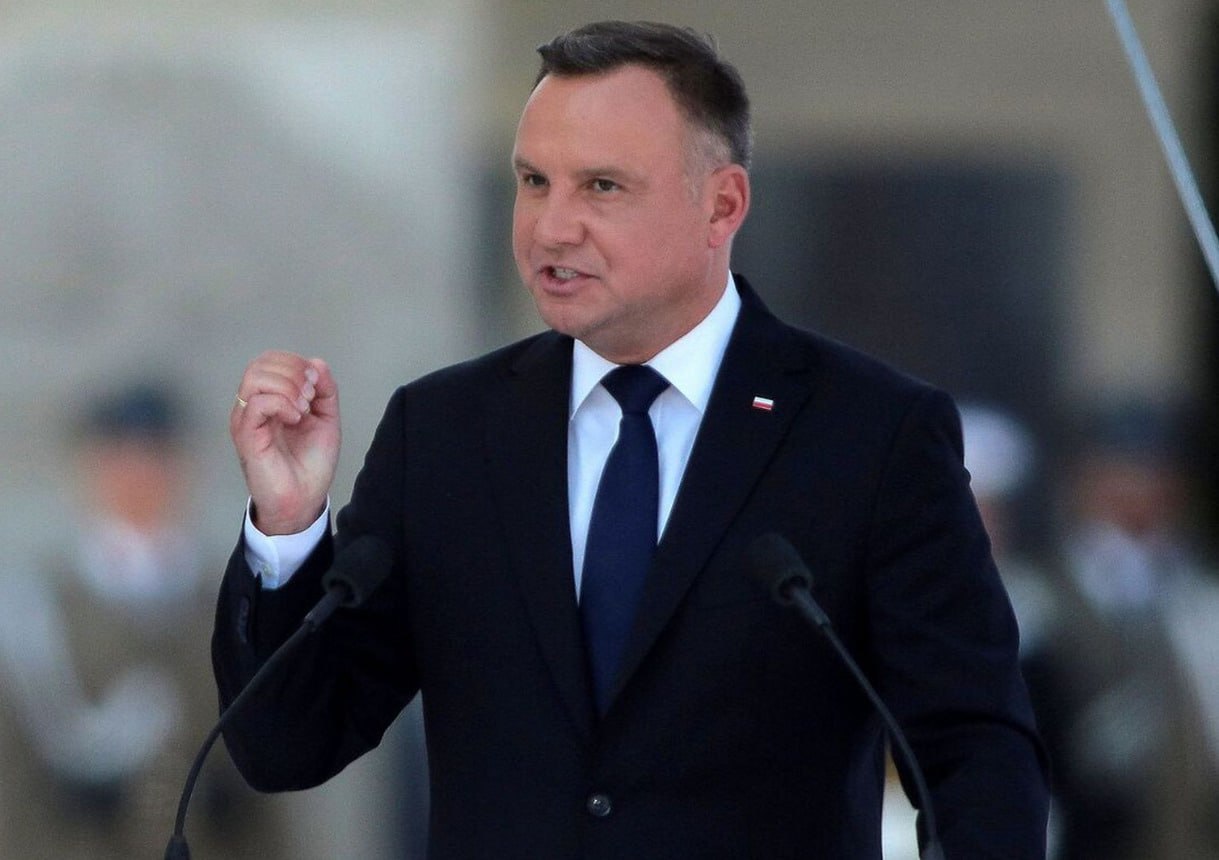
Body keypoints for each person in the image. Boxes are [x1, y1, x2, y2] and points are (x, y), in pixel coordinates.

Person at [214, 21, 1049, 859]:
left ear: (721, 205)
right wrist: (288, 528)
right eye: (533, 181)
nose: (551, 228)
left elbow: (972, 751)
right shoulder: (444, 432)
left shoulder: (868, 434)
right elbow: (287, 745)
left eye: (602, 186)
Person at [0, 381, 288, 859]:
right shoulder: (39, 613)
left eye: (155, 458)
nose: (138, 477)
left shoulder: (235, 602)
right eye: (119, 458)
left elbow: (273, 785)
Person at [1029, 399, 1219, 860]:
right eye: (1123, 471)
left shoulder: (1196, 591)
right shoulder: (1045, 594)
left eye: (1156, 472)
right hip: (1089, 834)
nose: (1142, 489)